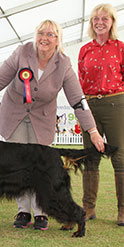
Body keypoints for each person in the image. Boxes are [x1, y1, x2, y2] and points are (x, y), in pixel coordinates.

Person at [0, 19, 104, 230]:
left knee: (41, 169)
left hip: (41, 121)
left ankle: (41, 214)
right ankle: (23, 212)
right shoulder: (22, 53)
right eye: (41, 33)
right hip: (14, 116)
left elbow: (77, 99)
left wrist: (93, 130)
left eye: (50, 34)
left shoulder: (63, 64)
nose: (44, 38)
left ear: (57, 39)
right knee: (13, 168)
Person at [78, 3, 124, 226]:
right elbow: (79, 81)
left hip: (115, 103)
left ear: (112, 22)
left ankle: (123, 210)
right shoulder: (85, 49)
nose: (100, 22)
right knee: (90, 158)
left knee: (120, 157)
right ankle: (88, 208)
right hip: (89, 106)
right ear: (91, 23)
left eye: (105, 19)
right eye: (96, 19)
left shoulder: (121, 48)